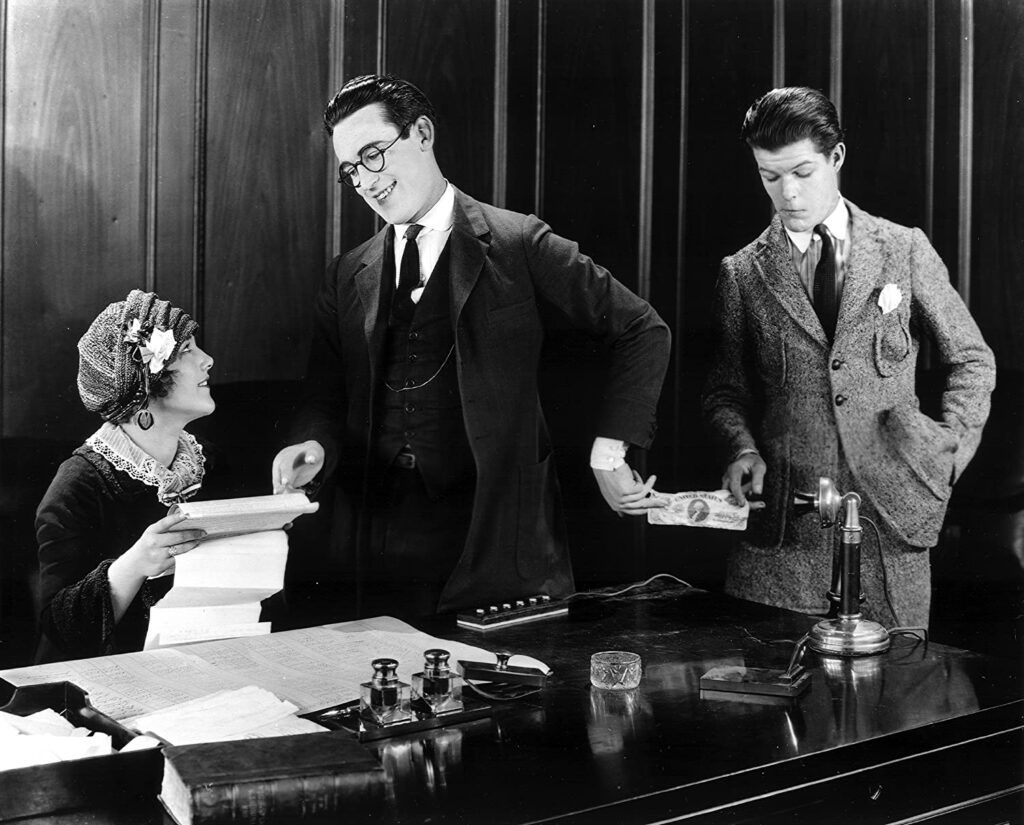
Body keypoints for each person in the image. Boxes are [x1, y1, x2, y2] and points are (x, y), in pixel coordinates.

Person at [274, 74, 670, 617]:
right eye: (350, 170)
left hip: (494, 534)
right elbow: (324, 396)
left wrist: (609, 454)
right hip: (376, 540)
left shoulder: (519, 242)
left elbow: (642, 329)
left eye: (372, 154)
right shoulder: (347, 273)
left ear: (422, 133)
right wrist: (312, 446)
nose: (365, 180)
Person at [702, 87, 995, 629]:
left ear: (836, 157)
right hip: (784, 541)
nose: (788, 192)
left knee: (900, 676)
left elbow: (972, 360)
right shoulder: (741, 273)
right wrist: (741, 448)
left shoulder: (903, 248)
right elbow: (724, 391)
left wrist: (945, 455)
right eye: (770, 176)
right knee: (777, 676)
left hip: (893, 530)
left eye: (802, 171)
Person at [35, 290, 214, 662]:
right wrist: (136, 563)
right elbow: (58, 629)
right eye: (187, 350)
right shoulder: (78, 484)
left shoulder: (205, 461)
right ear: (145, 385)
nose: (207, 360)